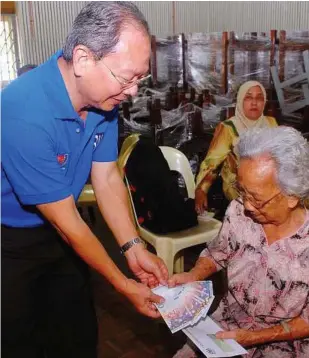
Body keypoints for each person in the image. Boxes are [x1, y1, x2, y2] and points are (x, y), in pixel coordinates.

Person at [1, 2, 168, 358]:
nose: (133, 92)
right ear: (82, 59)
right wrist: (123, 284)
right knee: (19, 339)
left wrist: (133, 246)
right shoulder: (22, 112)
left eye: (140, 78)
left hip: (65, 233)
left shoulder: (103, 101)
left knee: (76, 334)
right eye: (127, 77)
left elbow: (106, 177)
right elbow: (68, 224)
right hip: (10, 242)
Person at [170, 126, 309, 358]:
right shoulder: (238, 212)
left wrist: (255, 337)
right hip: (227, 323)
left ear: (292, 197)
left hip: (284, 341)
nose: (246, 205)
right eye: (242, 191)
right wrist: (193, 275)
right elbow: (218, 253)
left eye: (256, 198)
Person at [195, 80, 278, 214]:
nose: (254, 103)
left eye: (259, 98)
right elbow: (212, 163)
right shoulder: (228, 128)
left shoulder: (270, 122)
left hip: (267, 181)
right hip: (239, 185)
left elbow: (281, 154)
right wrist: (201, 189)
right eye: (248, 97)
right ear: (240, 100)